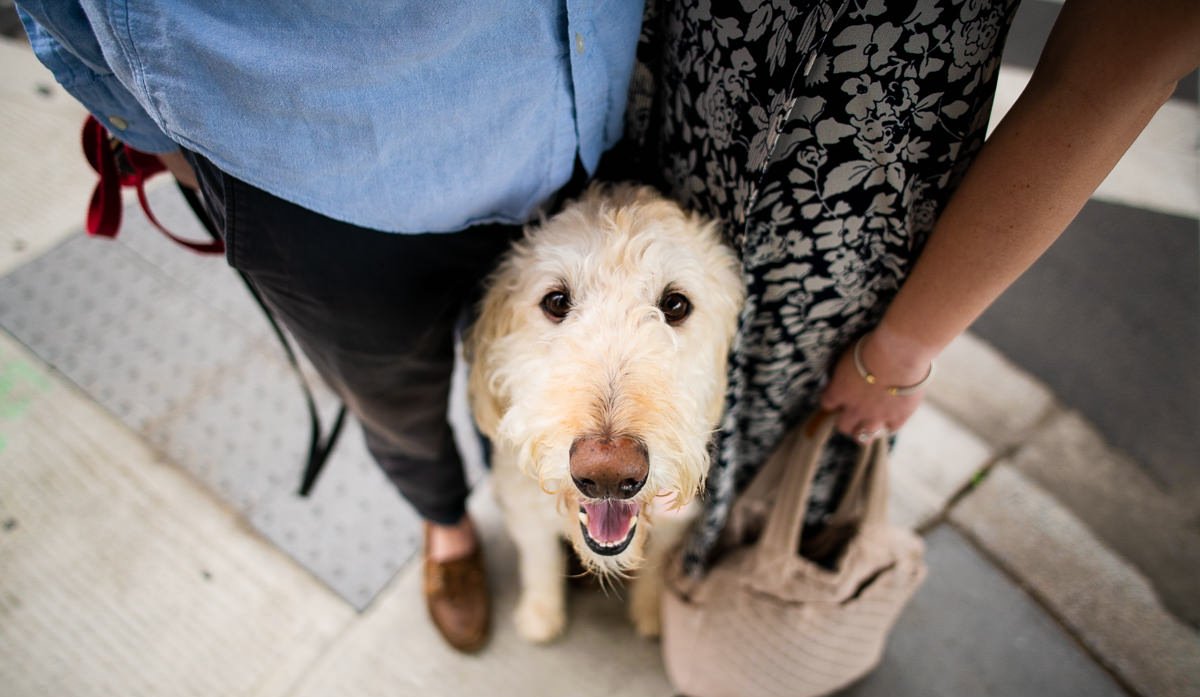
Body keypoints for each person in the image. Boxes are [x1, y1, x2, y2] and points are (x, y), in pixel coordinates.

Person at [16, 1, 646, 653]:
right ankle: (446, 524)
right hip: (317, 180)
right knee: (390, 400)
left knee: (542, 392)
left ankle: (536, 501)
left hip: (561, 136)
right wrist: (163, 141)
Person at [618, 0, 1199, 572]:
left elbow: (1096, 88)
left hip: (822, 280)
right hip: (666, 163)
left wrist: (901, 351)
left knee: (774, 504)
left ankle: (722, 617)